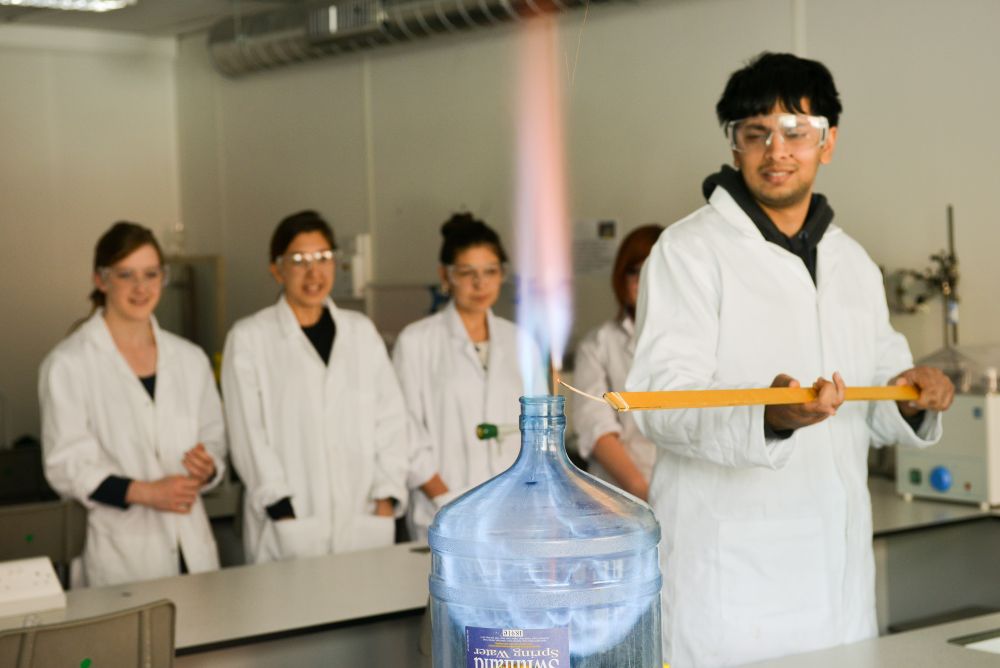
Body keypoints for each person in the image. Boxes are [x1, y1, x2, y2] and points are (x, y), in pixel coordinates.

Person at [626, 53, 955, 667]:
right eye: (756, 133)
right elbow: (659, 402)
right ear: (734, 146)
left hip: (837, 578)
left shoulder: (852, 261)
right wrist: (769, 415)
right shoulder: (689, 252)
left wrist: (914, 394)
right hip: (732, 589)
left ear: (827, 143)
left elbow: (881, 389)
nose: (776, 150)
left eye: (796, 132)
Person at [40, 222, 225, 587]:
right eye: (126, 275)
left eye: (151, 274)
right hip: (120, 556)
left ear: (163, 277)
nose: (141, 288)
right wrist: (146, 492)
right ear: (101, 280)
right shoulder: (69, 363)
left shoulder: (189, 358)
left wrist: (208, 467)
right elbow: (65, 465)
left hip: (194, 548)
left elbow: (215, 438)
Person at [222, 210, 409, 563]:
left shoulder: (361, 332)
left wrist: (385, 497)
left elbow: (391, 420)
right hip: (289, 524)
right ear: (277, 269)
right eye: (299, 260)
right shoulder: (250, 338)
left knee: (368, 610)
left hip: (364, 520)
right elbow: (248, 435)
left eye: (323, 258)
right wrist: (280, 508)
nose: (314, 272)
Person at [393, 213, 541, 541]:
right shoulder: (416, 341)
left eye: (490, 272)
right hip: (443, 508)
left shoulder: (521, 342)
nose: (480, 284)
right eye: (467, 273)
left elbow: (539, 428)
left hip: (514, 511)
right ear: (445, 276)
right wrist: (446, 500)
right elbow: (406, 431)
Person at [572, 224, 663, 500]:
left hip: (683, 491)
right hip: (617, 495)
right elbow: (596, 426)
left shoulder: (697, 340)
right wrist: (641, 492)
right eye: (634, 271)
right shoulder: (598, 344)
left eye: (653, 271)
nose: (642, 281)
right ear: (620, 279)